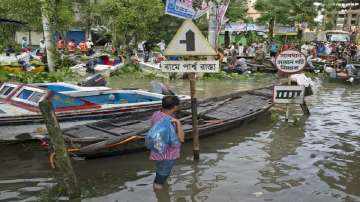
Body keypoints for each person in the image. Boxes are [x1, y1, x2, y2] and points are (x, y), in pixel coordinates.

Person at [149, 96, 185, 190]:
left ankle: (161, 187)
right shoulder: (170, 121)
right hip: (167, 155)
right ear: (175, 107)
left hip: (157, 150)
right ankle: (159, 194)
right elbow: (181, 139)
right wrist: (178, 123)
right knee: (162, 175)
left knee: (160, 171)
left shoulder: (156, 114)